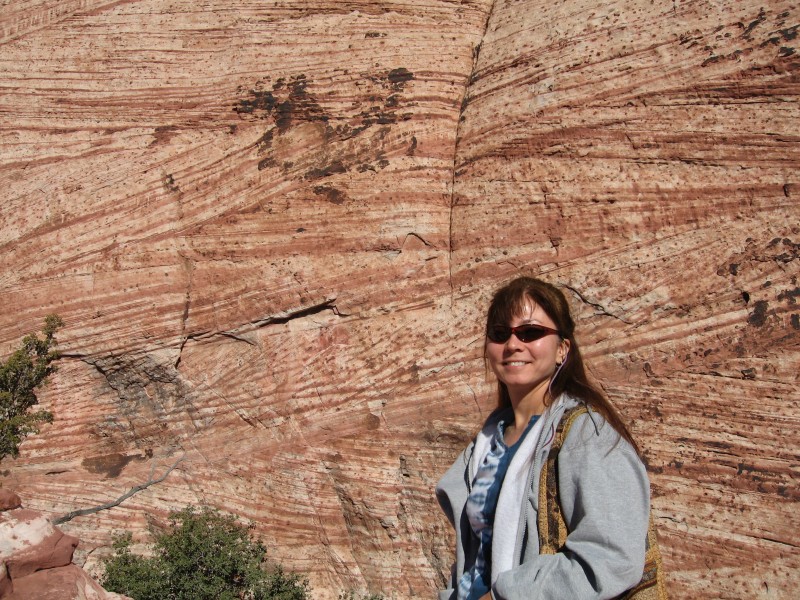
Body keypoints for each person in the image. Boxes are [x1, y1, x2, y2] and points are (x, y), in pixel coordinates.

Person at [436, 277, 650, 600]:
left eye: (530, 332)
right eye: (500, 333)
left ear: (562, 348)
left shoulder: (585, 435)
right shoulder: (486, 444)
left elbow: (613, 557)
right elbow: (476, 556)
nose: (512, 344)